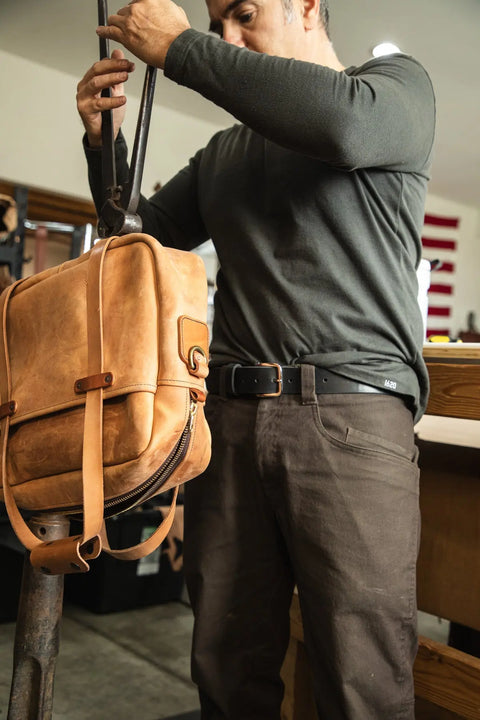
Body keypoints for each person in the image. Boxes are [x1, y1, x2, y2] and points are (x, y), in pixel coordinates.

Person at [76, 1, 435, 717]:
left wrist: (180, 49)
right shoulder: (225, 154)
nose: (228, 38)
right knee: (226, 665)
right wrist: (103, 141)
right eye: (216, 28)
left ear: (307, 4)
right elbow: (139, 239)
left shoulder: (391, 89)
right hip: (230, 422)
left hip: (352, 417)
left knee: (361, 680)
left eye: (243, 12)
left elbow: (341, 125)